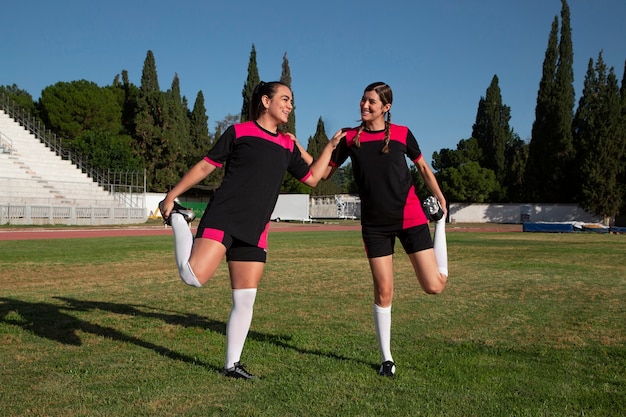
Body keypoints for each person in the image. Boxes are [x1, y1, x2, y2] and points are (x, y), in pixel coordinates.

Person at [159, 81, 345, 380]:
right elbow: (206, 166)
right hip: (225, 217)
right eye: (284, 99)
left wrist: (330, 147)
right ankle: (180, 219)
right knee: (192, 277)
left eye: (292, 101)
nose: (289, 105)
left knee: (245, 299)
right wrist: (171, 196)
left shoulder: (286, 144)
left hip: (256, 228)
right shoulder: (238, 132)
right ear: (265, 101)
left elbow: (313, 178)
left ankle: (232, 365)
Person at [322, 81, 449, 377]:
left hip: (411, 218)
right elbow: (322, 172)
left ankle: (439, 224)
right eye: (363, 100)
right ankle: (386, 359)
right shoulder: (350, 138)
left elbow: (423, 169)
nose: (364, 106)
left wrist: (440, 198)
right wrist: (307, 150)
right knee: (384, 290)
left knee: (434, 286)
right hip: (375, 225)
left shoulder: (403, 134)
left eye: (371, 102)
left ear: (386, 108)